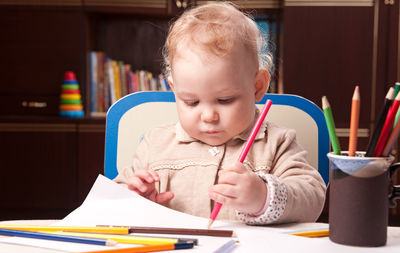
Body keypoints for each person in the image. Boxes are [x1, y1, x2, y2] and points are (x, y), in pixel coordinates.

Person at [114, 2, 326, 224]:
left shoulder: (277, 143)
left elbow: (312, 198)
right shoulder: (154, 143)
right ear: (173, 89)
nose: (208, 116)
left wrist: (263, 196)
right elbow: (113, 199)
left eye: (224, 100)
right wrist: (136, 200)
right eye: (191, 101)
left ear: (258, 87)